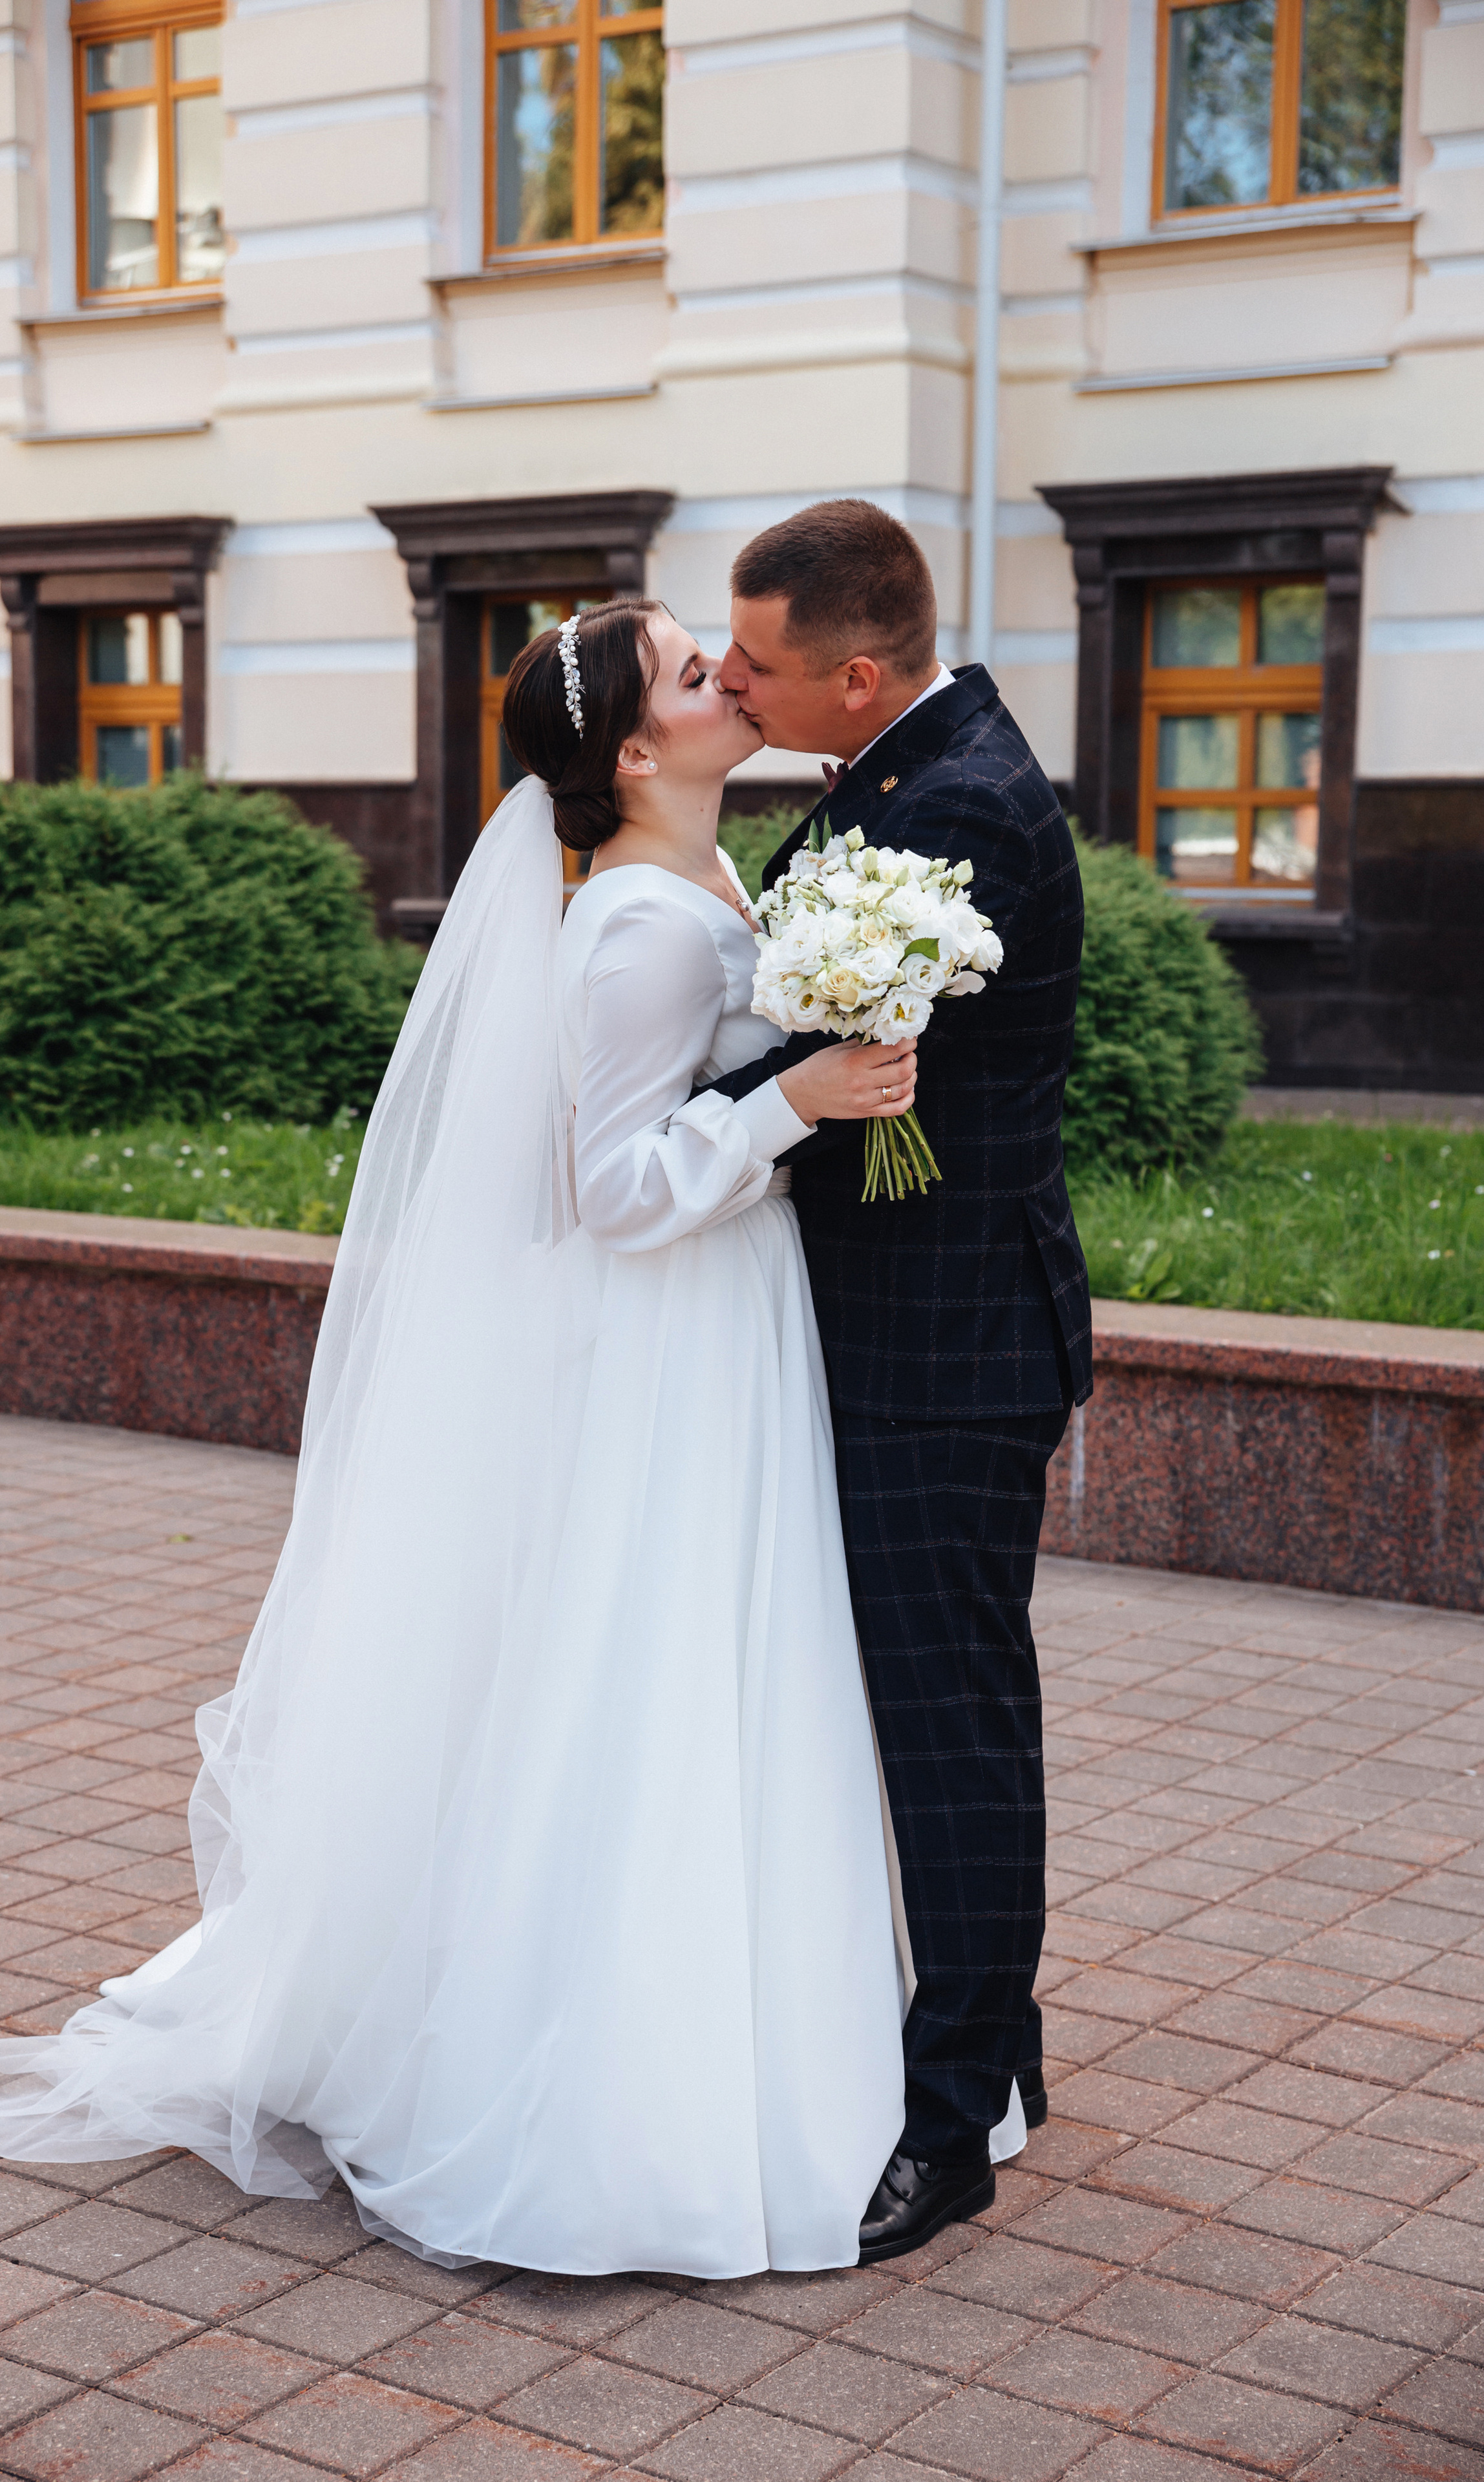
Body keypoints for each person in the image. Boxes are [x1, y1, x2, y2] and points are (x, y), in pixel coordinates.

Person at [0, 599, 1020, 2277]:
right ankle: (615, 2091)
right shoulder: (638, 928)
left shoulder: (707, 877)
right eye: (694, 672)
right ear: (635, 749)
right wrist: (798, 1100)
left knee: (722, 1672)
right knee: (656, 1678)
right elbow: (609, 1190)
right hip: (672, 1336)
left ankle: (783, 2043)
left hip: (726, 1326)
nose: (728, 676)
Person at [711, 500, 1093, 2262]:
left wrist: (648, 1120)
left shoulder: (961, 807)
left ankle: (949, 2126)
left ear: (856, 675)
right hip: (900, 1325)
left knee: (950, 1733)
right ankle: (995, 2051)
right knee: (932, 1721)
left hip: (946, 1350)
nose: (735, 682)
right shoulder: (899, 766)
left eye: (758, 662)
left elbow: (819, 1057)